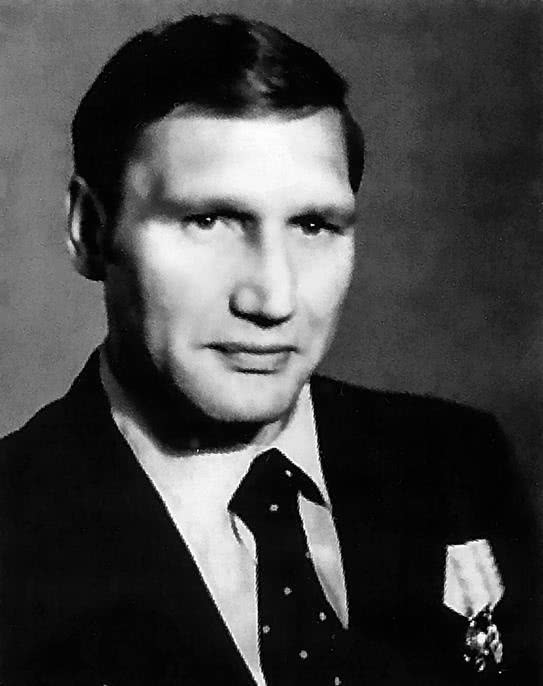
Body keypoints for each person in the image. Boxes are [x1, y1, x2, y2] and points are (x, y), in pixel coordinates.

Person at [0, 13, 536, 686]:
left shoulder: (455, 460)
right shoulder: (15, 531)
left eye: (313, 225)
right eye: (209, 220)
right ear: (89, 230)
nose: (273, 299)